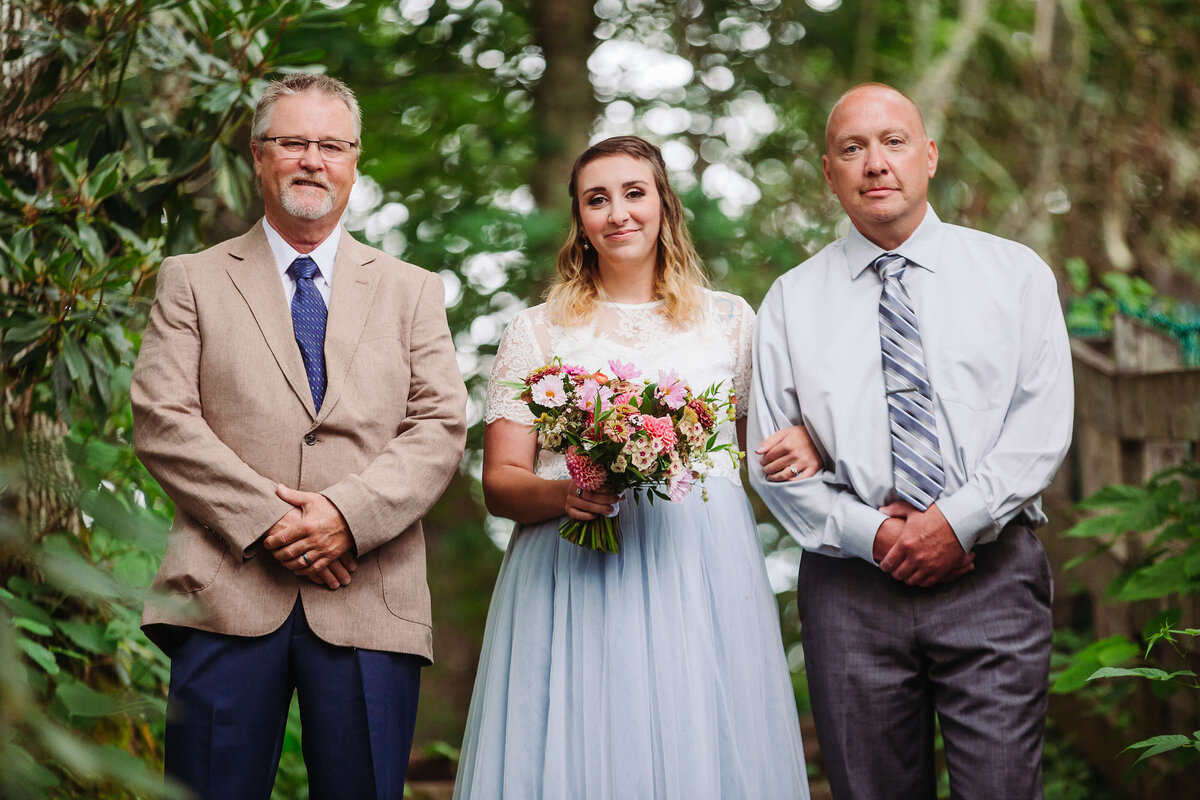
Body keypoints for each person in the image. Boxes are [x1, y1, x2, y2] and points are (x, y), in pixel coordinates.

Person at [131, 73, 467, 799]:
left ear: (353, 161)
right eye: (293, 142)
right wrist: (276, 521)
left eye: (331, 145)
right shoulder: (190, 278)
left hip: (371, 595)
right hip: (226, 592)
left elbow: (440, 423)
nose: (312, 159)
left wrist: (346, 517)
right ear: (258, 155)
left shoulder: (413, 289)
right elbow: (163, 418)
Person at [454, 135, 813, 799]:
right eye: (597, 199)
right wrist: (567, 495)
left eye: (633, 193)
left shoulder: (733, 323)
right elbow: (501, 483)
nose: (618, 212)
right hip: (574, 568)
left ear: (663, 205)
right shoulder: (535, 332)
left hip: (701, 570)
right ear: (580, 221)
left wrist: (809, 446)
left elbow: (763, 454)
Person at [748, 82, 1074, 799]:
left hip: (991, 574)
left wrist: (952, 524)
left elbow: (1041, 423)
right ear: (828, 173)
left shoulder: (1014, 274)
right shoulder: (790, 303)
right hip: (850, 587)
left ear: (927, 155)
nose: (875, 163)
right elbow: (771, 463)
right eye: (852, 149)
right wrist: (876, 534)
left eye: (893, 142)